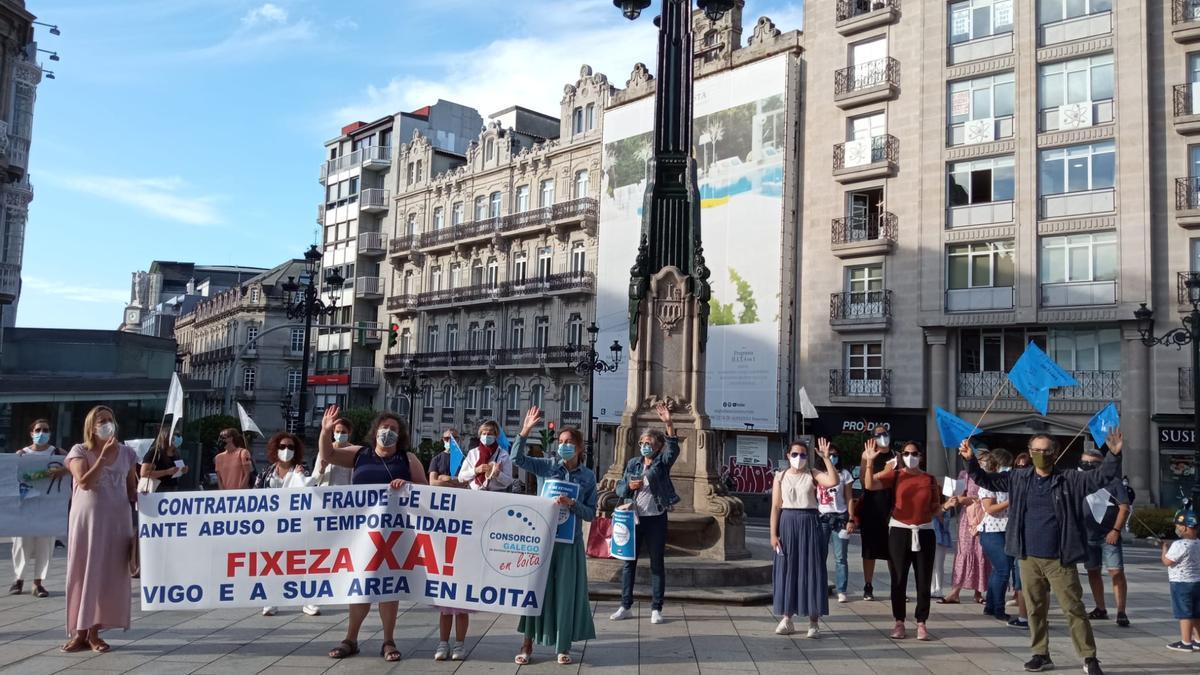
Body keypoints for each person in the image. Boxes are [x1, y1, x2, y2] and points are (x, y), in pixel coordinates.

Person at [962, 431, 1124, 675]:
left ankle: (1089, 657)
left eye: (1045, 451)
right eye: (1035, 450)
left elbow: (1102, 477)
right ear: (1029, 451)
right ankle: (1040, 653)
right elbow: (987, 480)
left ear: (1055, 453)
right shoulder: (1018, 478)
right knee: (1035, 608)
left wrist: (1114, 454)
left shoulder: (1070, 479)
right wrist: (969, 460)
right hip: (1028, 556)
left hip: (1060, 557)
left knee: (1074, 608)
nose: (1040, 455)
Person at [319, 405, 428, 663]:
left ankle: (388, 640)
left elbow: (426, 490)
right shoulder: (360, 454)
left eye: (393, 429)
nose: (387, 432)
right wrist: (325, 432)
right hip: (361, 534)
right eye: (384, 427)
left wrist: (408, 485)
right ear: (375, 430)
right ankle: (351, 639)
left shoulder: (407, 459)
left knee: (388, 587)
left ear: (399, 435)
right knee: (361, 585)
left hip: (394, 535)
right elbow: (329, 455)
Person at [510, 406, 596, 666]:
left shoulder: (588, 477)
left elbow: (591, 513)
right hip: (543, 541)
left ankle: (563, 645)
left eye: (569, 443)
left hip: (569, 543)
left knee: (566, 593)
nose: (564, 446)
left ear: (580, 448)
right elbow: (517, 459)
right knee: (536, 591)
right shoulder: (547, 467)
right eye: (561, 442)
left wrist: (572, 504)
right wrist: (525, 431)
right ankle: (527, 644)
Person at [62, 406, 139, 653]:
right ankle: (79, 632)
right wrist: (103, 458)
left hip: (117, 521)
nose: (107, 425)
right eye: (101, 421)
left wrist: (148, 497)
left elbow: (131, 489)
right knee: (84, 571)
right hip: (87, 521)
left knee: (107, 575)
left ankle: (95, 631)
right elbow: (84, 482)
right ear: (91, 427)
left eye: (110, 420)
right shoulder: (79, 451)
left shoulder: (127, 453)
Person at [863, 440, 943, 641]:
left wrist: (949, 504)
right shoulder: (896, 475)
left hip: (924, 531)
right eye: (906, 453)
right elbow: (869, 484)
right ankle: (899, 621)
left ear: (921, 456)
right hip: (899, 530)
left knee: (923, 580)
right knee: (898, 579)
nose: (910, 457)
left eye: (914, 453)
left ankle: (921, 622)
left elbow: (935, 509)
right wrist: (871, 462)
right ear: (901, 455)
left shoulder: (930, 479)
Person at [612, 402, 681, 624]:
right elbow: (619, 488)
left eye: (648, 443)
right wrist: (628, 488)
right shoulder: (633, 463)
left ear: (657, 446)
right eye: (642, 443)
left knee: (656, 563)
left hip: (655, 518)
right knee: (628, 563)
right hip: (633, 519)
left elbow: (673, 450)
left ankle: (656, 608)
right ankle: (625, 605)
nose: (644, 446)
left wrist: (669, 423)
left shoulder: (662, 463)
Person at [770, 439, 840, 637]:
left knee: (812, 570)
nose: (798, 458)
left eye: (802, 455)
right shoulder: (780, 476)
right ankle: (787, 618)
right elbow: (775, 507)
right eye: (794, 454)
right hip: (787, 523)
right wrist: (773, 534)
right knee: (787, 570)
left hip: (809, 522)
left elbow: (833, 481)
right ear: (787, 456)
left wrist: (826, 459)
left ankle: (814, 622)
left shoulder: (812, 474)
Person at [253, 432, 319, 618]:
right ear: (275, 449)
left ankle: (308, 601)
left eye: (290, 447)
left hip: (297, 525)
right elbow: (254, 498)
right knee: (271, 564)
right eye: (282, 446)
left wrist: (301, 477)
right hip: (271, 527)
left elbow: (310, 490)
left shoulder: (302, 471)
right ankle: (271, 601)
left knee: (302, 563)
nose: (286, 450)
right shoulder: (265, 474)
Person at [427, 427, 471, 661]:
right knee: (444, 603)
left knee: (461, 602)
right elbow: (432, 483)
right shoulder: (437, 459)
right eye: (445, 438)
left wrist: (450, 479)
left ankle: (460, 644)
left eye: (453, 437)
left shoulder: (466, 460)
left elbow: (468, 484)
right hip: (442, 526)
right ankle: (443, 643)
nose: (449, 441)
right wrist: (449, 481)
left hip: (462, 527)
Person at [10, 419, 67, 598]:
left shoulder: (58, 453)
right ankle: (18, 579)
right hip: (25, 506)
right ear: (31, 432)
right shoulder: (22, 454)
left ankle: (38, 582)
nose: (42, 432)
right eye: (38, 429)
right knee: (21, 543)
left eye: (46, 429)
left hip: (49, 507)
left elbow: (73, 466)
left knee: (45, 543)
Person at [975, 448, 1029, 628]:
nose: (1007, 468)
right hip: (992, 531)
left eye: (1009, 465)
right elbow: (989, 508)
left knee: (998, 571)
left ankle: (990, 606)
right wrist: (1012, 500)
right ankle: (998, 608)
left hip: (1008, 529)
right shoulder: (987, 483)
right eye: (1005, 465)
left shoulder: (1011, 481)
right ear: (996, 465)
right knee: (1003, 569)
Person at [1080, 447, 1131, 627]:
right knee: (1093, 571)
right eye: (1084, 462)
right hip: (1086, 535)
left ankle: (1121, 611)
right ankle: (1100, 608)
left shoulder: (1113, 482)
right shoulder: (1079, 481)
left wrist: (1115, 530)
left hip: (1108, 535)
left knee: (1116, 572)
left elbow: (1124, 507)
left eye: (1091, 464)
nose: (1087, 466)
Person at [941, 450, 991, 605]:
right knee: (964, 551)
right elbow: (957, 494)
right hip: (967, 518)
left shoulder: (989, 475)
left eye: (985, 460)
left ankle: (979, 591)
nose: (983, 462)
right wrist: (955, 496)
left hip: (984, 517)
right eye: (980, 459)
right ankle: (955, 591)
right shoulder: (965, 473)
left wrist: (971, 499)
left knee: (982, 553)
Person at [856, 424, 895, 601]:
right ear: (872, 438)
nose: (882, 437)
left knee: (893, 549)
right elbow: (865, 482)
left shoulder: (896, 455)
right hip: (872, 506)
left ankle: (896, 584)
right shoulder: (867, 455)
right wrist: (870, 462)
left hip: (892, 505)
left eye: (884, 433)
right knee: (870, 549)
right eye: (878, 434)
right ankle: (868, 585)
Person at [815, 439, 856, 603]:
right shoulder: (818, 474)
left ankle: (841, 589)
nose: (832, 457)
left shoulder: (844, 474)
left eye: (835, 455)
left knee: (840, 557)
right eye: (829, 455)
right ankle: (820, 586)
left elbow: (849, 498)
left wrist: (851, 519)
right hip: (822, 518)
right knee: (820, 555)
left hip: (840, 517)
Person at [1163, 505, 1200, 652]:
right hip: (1197, 583)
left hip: (1181, 584)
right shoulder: (1198, 543)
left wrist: (1164, 550)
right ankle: (1198, 639)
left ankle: (1186, 642)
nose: (1176, 528)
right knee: (1197, 612)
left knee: (1184, 613)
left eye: (1177, 525)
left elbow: (1167, 562)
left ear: (1184, 528)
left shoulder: (1179, 544)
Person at [457, 420, 514, 492]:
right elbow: (461, 477)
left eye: (490, 434)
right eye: (484, 434)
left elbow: (509, 481)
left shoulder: (503, 455)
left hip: (495, 494)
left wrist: (498, 474)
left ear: (495, 436)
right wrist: (476, 470)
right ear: (480, 435)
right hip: (474, 493)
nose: (486, 436)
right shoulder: (473, 453)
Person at [139, 427, 188, 493]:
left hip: (172, 490)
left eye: (179, 435)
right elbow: (144, 473)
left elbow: (175, 471)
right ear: (167, 437)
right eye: (176, 435)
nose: (179, 438)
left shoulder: (176, 453)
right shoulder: (155, 452)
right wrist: (167, 472)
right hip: (156, 490)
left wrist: (182, 470)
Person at [313, 417, 354, 486]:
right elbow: (315, 480)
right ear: (333, 432)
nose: (340, 435)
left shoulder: (354, 452)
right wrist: (322, 468)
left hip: (347, 494)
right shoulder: (325, 449)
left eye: (343, 432)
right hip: (327, 493)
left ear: (349, 433)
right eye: (337, 432)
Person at [930, 508, 953, 600]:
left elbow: (946, 526)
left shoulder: (946, 508)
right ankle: (932, 588)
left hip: (941, 538)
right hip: (929, 537)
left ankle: (939, 588)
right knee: (931, 565)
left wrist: (940, 515)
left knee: (939, 564)